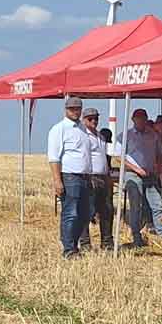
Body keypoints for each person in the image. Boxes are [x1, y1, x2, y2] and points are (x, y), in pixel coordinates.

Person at [45, 98, 91, 257]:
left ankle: (73, 243)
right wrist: (57, 181)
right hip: (70, 176)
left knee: (86, 213)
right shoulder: (59, 129)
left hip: (85, 176)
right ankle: (68, 248)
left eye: (78, 108)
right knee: (71, 212)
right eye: (72, 109)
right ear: (66, 110)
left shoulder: (82, 129)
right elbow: (54, 157)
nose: (75, 111)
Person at [118, 108, 162, 248]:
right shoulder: (125, 136)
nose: (141, 121)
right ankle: (136, 235)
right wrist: (137, 169)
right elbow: (120, 158)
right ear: (133, 119)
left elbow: (160, 153)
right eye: (138, 118)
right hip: (133, 174)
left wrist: (158, 166)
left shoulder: (153, 135)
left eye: (143, 118)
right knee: (136, 206)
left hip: (150, 174)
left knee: (158, 204)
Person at [86, 119, 115, 251]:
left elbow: (105, 160)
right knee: (87, 211)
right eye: (90, 118)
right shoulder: (83, 136)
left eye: (96, 118)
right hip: (89, 177)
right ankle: (85, 243)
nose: (94, 121)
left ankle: (107, 241)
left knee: (107, 210)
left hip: (103, 177)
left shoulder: (101, 138)